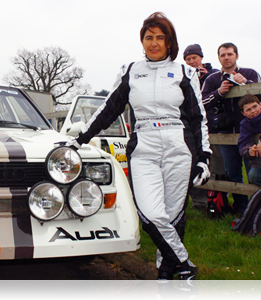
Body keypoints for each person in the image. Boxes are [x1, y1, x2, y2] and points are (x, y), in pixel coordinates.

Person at [67, 12, 211, 299]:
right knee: (149, 213)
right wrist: (80, 138)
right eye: (149, 37)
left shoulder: (185, 72)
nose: (154, 43)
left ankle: (165, 274)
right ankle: (185, 265)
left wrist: (204, 157)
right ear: (142, 41)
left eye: (160, 37)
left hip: (179, 146)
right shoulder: (130, 70)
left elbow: (198, 118)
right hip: (143, 146)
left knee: (173, 216)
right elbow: (109, 108)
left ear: (170, 42)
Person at [202, 42, 261, 213]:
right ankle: (241, 208)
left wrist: (247, 84)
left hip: (251, 134)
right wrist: (219, 92)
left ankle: (257, 209)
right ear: (219, 58)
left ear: (236, 55)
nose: (226, 57)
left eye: (229, 54)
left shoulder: (250, 73)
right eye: (223, 55)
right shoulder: (212, 79)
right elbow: (203, 103)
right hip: (225, 133)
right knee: (232, 173)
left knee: (253, 172)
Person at [183, 44, 221, 211]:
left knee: (217, 165)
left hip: (214, 128)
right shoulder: (183, 77)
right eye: (188, 59)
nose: (192, 62)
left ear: (201, 59)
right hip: (192, 128)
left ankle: (219, 201)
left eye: (194, 58)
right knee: (193, 163)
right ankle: (199, 203)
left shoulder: (213, 75)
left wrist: (204, 79)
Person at [238, 94, 261, 187]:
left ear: (260, 105)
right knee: (253, 176)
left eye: (255, 106)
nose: (253, 111)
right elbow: (242, 145)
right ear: (243, 113)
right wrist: (249, 151)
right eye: (248, 109)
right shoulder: (245, 124)